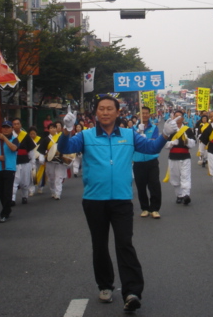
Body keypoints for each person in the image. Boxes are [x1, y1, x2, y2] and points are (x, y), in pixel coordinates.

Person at [58, 97, 180, 313]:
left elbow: (151, 148)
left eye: (109, 109)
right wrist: (67, 130)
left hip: (122, 200)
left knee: (125, 244)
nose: (105, 112)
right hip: (94, 200)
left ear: (117, 112)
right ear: (96, 113)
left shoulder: (129, 135)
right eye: (101, 109)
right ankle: (105, 285)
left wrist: (166, 134)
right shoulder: (85, 136)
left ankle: (132, 292)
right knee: (100, 244)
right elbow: (65, 147)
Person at [133, 106, 163, 219]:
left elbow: (155, 141)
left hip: (151, 160)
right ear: (139, 115)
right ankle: (144, 208)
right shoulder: (133, 129)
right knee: (141, 186)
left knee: (154, 184)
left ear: (149, 115)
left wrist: (144, 139)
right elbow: (132, 142)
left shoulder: (154, 128)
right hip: (138, 161)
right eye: (142, 113)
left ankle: (155, 208)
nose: (144, 115)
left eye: (146, 113)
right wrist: (137, 132)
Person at [0, 121, 18, 223]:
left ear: (11, 129)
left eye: (7, 127)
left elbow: (14, 148)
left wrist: (4, 138)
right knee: (0, 191)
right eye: (4, 127)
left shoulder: (14, 139)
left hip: (9, 169)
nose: (5, 129)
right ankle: (7, 209)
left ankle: (4, 213)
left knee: (7, 191)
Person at [165, 110, 196, 205]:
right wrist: (171, 143)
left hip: (185, 157)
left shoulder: (187, 130)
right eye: (176, 116)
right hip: (173, 157)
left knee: (185, 176)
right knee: (175, 177)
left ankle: (186, 195)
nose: (178, 118)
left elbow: (194, 143)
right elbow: (164, 144)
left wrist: (187, 141)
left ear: (183, 118)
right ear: (173, 118)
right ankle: (179, 195)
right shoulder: (169, 130)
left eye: (180, 116)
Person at [38, 123, 68, 200]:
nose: (53, 129)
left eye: (54, 128)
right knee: (51, 177)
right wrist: (41, 158)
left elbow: (65, 146)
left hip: (59, 161)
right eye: (51, 128)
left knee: (58, 177)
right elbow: (41, 151)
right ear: (48, 130)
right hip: (49, 161)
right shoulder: (45, 140)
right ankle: (53, 191)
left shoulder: (60, 138)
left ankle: (58, 193)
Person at [11, 118, 36, 206]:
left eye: (18, 124)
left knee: (25, 181)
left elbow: (31, 151)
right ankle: (12, 199)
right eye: (14, 124)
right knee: (14, 181)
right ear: (12, 126)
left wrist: (33, 163)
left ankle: (24, 196)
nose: (16, 125)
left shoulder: (26, 136)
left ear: (21, 125)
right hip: (14, 162)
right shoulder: (10, 136)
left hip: (25, 162)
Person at [27, 127, 41, 196]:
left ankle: (40, 186)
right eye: (31, 134)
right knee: (31, 176)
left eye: (34, 134)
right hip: (30, 161)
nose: (32, 135)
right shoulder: (27, 141)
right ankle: (31, 190)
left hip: (38, 160)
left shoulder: (39, 140)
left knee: (39, 174)